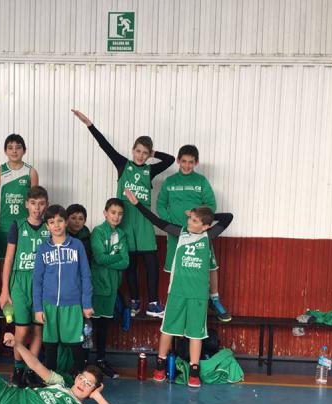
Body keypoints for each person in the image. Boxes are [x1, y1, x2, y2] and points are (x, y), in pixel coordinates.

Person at [124, 189, 232, 388]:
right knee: (168, 329)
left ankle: (194, 372)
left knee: (196, 334)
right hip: (177, 292)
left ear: (205, 226)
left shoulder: (208, 235)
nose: (190, 222)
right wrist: (137, 204)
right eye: (190, 218)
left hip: (198, 295)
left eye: (195, 221)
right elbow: (156, 221)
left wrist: (206, 215)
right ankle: (160, 365)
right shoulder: (180, 232)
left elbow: (228, 217)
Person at [72, 109, 173, 318]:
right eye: (138, 151)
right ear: (132, 150)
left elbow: (170, 159)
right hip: (125, 220)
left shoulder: (150, 170)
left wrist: (154, 153)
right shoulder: (123, 165)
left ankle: (153, 303)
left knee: (151, 262)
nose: (141, 155)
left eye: (145, 153)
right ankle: (135, 300)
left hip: (143, 220)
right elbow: (104, 145)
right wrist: (89, 124)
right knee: (131, 264)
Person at [157, 145, 232, 322]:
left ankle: (214, 300)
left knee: (210, 266)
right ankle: (176, 303)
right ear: (178, 161)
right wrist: (170, 222)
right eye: (183, 161)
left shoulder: (201, 181)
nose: (187, 165)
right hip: (176, 233)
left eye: (191, 162)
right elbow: (160, 205)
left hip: (199, 233)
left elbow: (211, 206)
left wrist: (196, 214)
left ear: (196, 162)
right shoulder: (170, 182)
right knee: (176, 268)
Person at [0, 186, 50, 387]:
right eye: (33, 203)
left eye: (41, 204)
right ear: (26, 204)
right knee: (21, 330)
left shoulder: (49, 227)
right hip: (19, 282)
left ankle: (31, 371)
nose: (37, 208)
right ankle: (18, 370)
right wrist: (5, 290)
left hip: (42, 283)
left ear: (46, 205)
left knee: (38, 330)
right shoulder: (17, 226)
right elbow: (8, 259)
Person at [33, 205, 93, 374]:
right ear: (47, 226)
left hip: (73, 304)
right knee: (50, 344)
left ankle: (80, 377)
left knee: (76, 344)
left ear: (66, 222)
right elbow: (37, 280)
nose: (56, 225)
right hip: (49, 305)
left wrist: (86, 304)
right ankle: (51, 381)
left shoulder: (77, 245)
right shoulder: (43, 249)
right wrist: (38, 308)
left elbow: (85, 275)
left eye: (60, 221)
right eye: (52, 222)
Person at [90, 198, 129, 378]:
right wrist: (116, 256)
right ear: (105, 213)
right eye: (113, 212)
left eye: (120, 214)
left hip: (112, 287)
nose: (116, 217)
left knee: (104, 327)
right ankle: (86, 363)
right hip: (98, 286)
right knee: (92, 326)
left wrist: (109, 258)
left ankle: (101, 360)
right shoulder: (98, 232)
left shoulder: (121, 234)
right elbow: (99, 258)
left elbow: (126, 262)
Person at [0, 134, 39, 259]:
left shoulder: (31, 172)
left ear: (24, 150)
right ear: (5, 151)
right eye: (10, 148)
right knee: (2, 260)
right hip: (3, 225)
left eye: (18, 147)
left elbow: (35, 200)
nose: (14, 151)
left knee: (21, 259)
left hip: (23, 224)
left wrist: (35, 221)